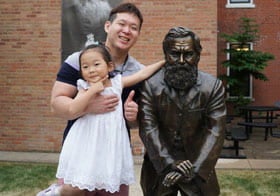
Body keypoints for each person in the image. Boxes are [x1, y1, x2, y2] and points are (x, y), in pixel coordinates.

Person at [38, 44, 165, 196]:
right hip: (86, 143)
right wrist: (91, 91)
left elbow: (142, 74)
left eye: (96, 64)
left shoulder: (118, 83)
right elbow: (72, 109)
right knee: (77, 187)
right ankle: (55, 193)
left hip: (110, 144)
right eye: (85, 67)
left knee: (106, 182)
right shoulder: (83, 86)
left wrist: (165, 61)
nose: (91, 70)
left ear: (109, 66)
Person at [47, 2, 144, 195]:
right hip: (81, 154)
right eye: (122, 24)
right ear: (108, 26)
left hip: (114, 157)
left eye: (133, 28)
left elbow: (136, 123)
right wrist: (88, 105)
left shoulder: (138, 72)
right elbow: (56, 104)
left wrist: (133, 117)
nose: (127, 31)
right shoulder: (79, 61)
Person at [138, 27, 226, 196]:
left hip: (198, 167)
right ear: (165, 55)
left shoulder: (212, 87)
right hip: (160, 168)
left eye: (188, 54)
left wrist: (194, 168)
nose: (181, 60)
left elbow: (216, 131)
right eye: (174, 54)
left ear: (198, 56)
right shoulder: (150, 86)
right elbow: (148, 128)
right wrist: (170, 163)